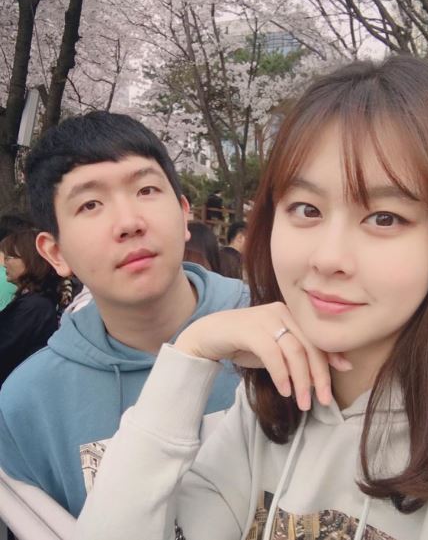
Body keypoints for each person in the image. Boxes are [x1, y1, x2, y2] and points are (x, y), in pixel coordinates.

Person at [76, 57, 428, 540]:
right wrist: (191, 353)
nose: (328, 258)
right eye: (306, 209)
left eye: (384, 218)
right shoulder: (266, 412)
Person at [0, 111, 249, 518]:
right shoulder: (28, 403)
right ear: (55, 253)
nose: (129, 223)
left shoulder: (280, 329)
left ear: (183, 213)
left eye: (147, 189)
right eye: (90, 204)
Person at [0, 226, 62, 387]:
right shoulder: (34, 301)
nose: (4, 264)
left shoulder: (34, 306)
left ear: (30, 261)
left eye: (9, 257)